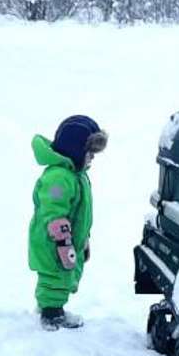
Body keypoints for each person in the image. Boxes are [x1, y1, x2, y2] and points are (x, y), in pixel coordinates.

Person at [27, 115, 105, 330]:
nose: (92, 158)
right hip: (53, 242)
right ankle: (51, 314)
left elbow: (80, 213)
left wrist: (83, 239)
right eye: (89, 153)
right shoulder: (58, 178)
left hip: (68, 241)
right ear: (75, 150)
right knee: (54, 276)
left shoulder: (76, 175)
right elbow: (53, 212)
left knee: (65, 276)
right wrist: (63, 242)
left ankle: (53, 308)